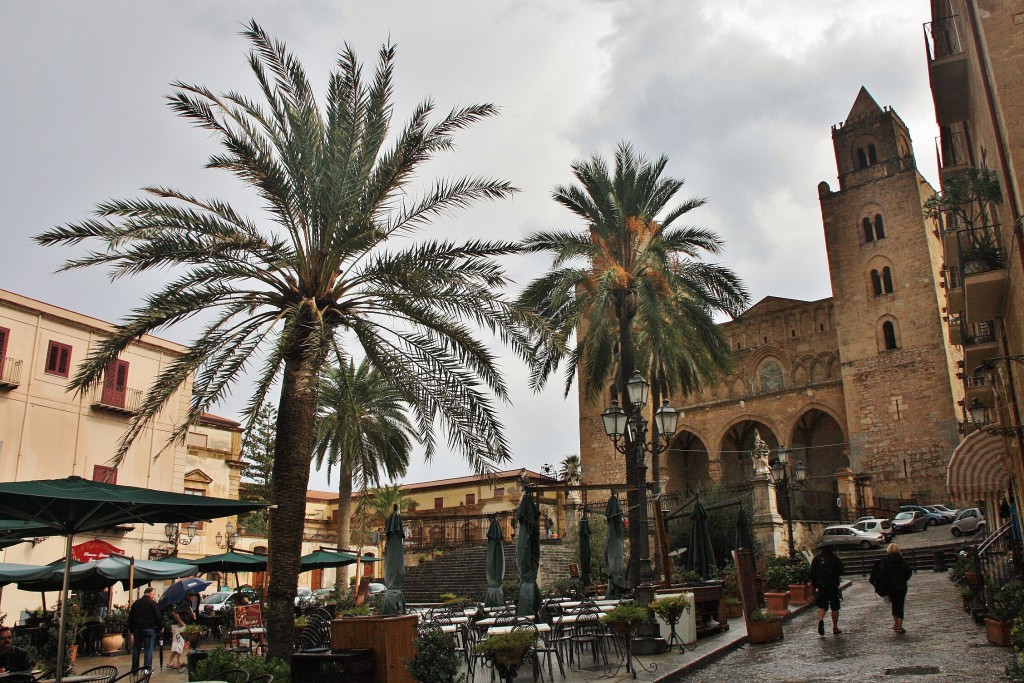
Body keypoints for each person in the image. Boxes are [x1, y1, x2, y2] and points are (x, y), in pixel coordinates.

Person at [871, 542, 913, 634]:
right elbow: (908, 572)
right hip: (901, 587)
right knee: (900, 605)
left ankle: (896, 623)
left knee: (894, 604)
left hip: (890, 587)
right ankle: (899, 625)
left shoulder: (885, 562)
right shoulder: (902, 561)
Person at [811, 545, 845, 635]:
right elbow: (842, 570)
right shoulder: (834, 558)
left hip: (821, 586)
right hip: (833, 585)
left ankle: (821, 620)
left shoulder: (816, 558)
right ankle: (835, 627)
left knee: (822, 605)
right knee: (835, 606)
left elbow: (812, 573)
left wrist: (815, 585)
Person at [127, 587, 163, 672]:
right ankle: (147, 669)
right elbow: (158, 616)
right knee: (148, 649)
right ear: (149, 593)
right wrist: (161, 627)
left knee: (136, 649)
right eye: (153, 594)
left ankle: (134, 669)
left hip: (137, 629)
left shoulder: (136, 603)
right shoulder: (152, 603)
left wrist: (131, 629)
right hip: (149, 628)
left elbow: (130, 617)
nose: (154, 596)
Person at [168, 591, 197, 672]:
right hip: (178, 627)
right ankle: (178, 661)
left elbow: (185, 613)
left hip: (183, 626)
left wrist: (191, 615)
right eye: (192, 595)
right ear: (188, 596)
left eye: (194, 595)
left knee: (178, 644)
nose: (193, 597)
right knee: (178, 643)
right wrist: (180, 622)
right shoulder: (183, 603)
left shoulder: (188, 604)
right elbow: (174, 613)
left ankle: (172, 661)